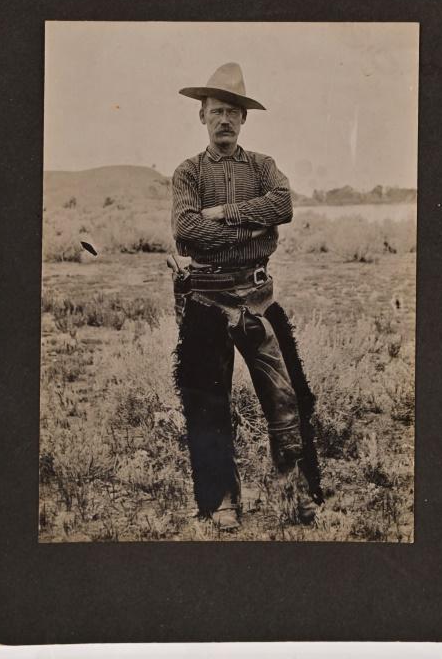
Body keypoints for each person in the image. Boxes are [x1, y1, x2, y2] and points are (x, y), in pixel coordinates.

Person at [171, 62, 323, 531]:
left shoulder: (264, 167)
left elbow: (284, 206)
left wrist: (226, 214)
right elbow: (187, 229)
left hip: (258, 297)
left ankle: (297, 493)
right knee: (207, 401)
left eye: (233, 113)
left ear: (244, 119)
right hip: (206, 301)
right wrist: (253, 229)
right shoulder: (188, 173)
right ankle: (221, 501)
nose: (224, 121)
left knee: (287, 397)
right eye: (216, 111)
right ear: (201, 116)